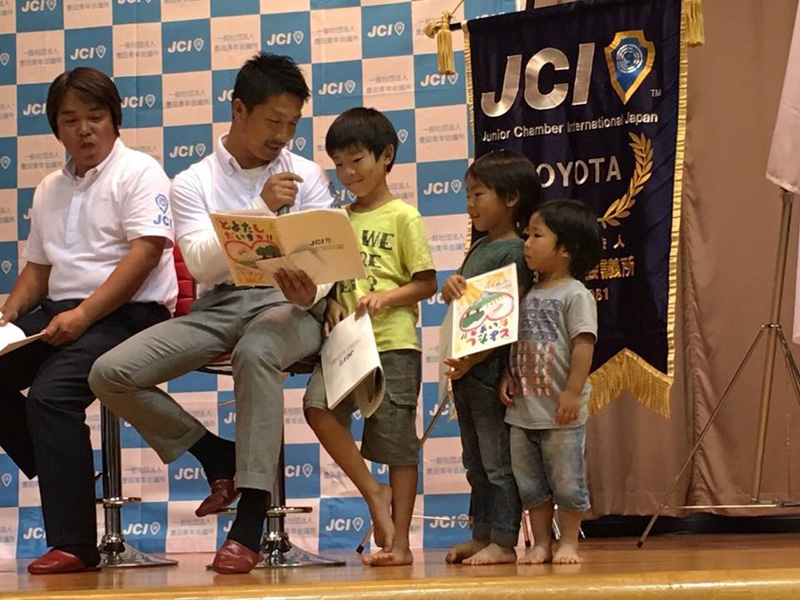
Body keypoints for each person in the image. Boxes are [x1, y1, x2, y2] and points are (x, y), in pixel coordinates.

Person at [89, 52, 335, 574]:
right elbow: (200, 262)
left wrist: (311, 290)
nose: (282, 136)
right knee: (110, 372)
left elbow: (328, 256)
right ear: (239, 109)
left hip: (289, 305)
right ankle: (214, 455)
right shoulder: (193, 181)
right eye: (273, 121)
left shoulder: (307, 174)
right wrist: (260, 210)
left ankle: (250, 520)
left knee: (257, 351)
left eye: (292, 124)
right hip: (219, 304)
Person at [0, 67, 177, 574]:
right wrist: (7, 314)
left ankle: (75, 545)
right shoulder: (49, 187)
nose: (84, 130)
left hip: (131, 313)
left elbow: (145, 255)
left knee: (51, 398)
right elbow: (38, 270)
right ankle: (62, 465)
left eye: (95, 117)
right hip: (62, 311)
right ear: (56, 129)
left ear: (115, 120)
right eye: (70, 120)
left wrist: (82, 315)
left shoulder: (139, 171)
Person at [303, 107, 437, 566]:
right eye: (338, 164)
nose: (347, 173)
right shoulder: (336, 219)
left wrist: (388, 297)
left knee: (398, 444)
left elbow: (426, 283)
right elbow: (327, 284)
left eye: (356, 160)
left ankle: (401, 545)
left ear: (386, 156)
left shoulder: (404, 216)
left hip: (393, 341)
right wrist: (330, 304)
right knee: (317, 408)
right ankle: (373, 492)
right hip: (344, 342)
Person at [441, 150, 541, 566]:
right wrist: (450, 287)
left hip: (489, 371)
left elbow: (506, 320)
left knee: (498, 461)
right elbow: (467, 303)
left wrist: (476, 359)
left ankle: (503, 539)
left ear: (511, 198)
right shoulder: (481, 245)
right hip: (465, 371)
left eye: (478, 194)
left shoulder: (515, 251)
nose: (470, 204)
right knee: (475, 462)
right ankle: (481, 534)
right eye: (467, 195)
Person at [499, 199, 601, 565]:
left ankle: (569, 541)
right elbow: (514, 341)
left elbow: (583, 345)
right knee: (531, 484)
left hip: (560, 413)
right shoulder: (525, 293)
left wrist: (572, 392)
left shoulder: (576, 294)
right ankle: (541, 542)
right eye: (526, 235)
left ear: (566, 249)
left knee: (567, 481)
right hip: (523, 412)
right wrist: (508, 374)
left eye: (537, 236)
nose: (526, 244)